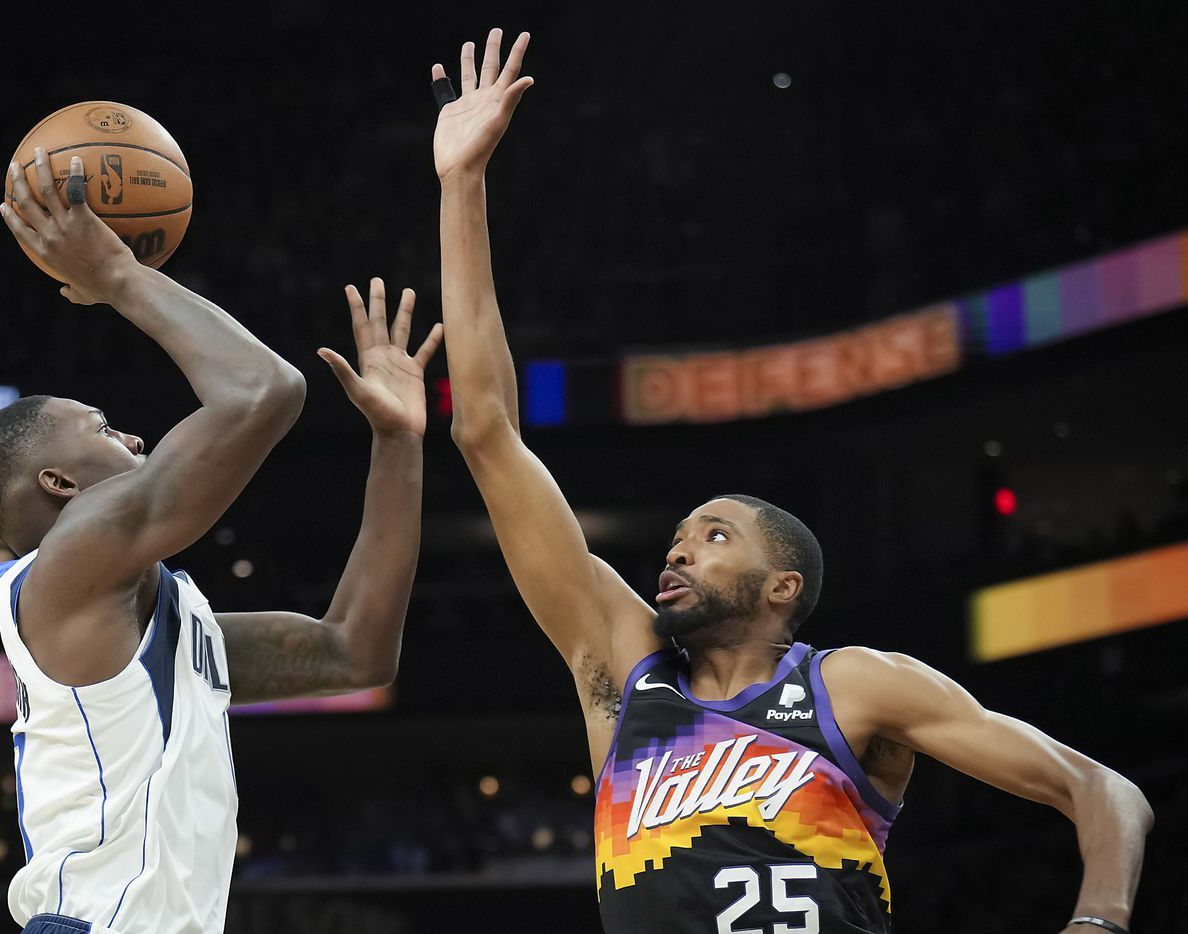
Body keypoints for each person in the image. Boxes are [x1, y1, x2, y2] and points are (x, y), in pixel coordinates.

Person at [430, 29, 1152, 934]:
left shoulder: (855, 688)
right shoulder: (623, 664)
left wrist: (1098, 919)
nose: (682, 547)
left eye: (716, 535)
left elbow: (1103, 790)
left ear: (785, 586)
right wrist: (462, 185)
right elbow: (485, 432)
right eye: (681, 535)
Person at [0, 148, 443, 934]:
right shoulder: (66, 563)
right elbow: (263, 389)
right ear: (58, 485)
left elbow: (355, 652)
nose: (134, 435)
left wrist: (397, 443)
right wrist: (116, 275)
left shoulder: (151, 619)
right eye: (101, 426)